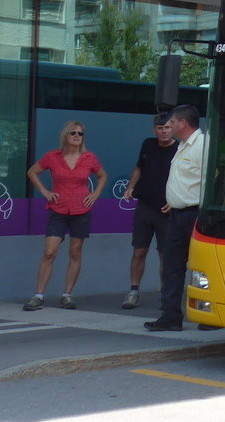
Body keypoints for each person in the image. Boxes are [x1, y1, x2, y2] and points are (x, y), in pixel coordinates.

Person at [24, 120, 109, 310]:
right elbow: (32, 172)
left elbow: (102, 175)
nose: (77, 136)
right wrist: (45, 192)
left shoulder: (89, 157)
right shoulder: (52, 156)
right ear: (65, 135)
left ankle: (67, 295)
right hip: (58, 208)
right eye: (73, 133)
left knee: (75, 252)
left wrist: (95, 194)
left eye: (80, 133)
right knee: (50, 252)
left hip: (81, 209)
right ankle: (38, 295)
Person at [144, 105, 206, 332]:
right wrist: (176, 199)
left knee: (202, 267)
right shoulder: (182, 145)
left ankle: (209, 316)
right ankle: (170, 316)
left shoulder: (203, 145)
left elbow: (213, 181)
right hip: (177, 214)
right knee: (172, 266)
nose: (168, 127)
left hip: (196, 214)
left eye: (171, 123)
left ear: (183, 123)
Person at [121, 113, 178, 309]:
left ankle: (165, 295)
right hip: (144, 206)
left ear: (173, 129)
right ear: (154, 130)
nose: (164, 131)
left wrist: (175, 201)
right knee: (139, 250)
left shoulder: (180, 149)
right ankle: (133, 292)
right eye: (160, 128)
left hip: (166, 209)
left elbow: (185, 178)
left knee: (164, 254)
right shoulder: (148, 144)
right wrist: (130, 187)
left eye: (167, 127)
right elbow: (139, 168)